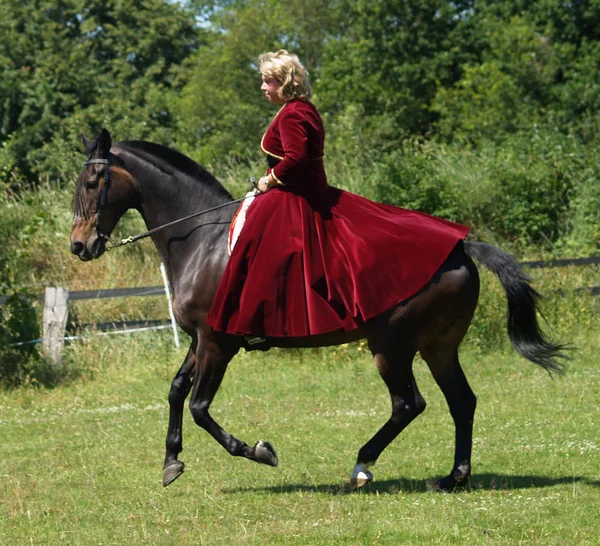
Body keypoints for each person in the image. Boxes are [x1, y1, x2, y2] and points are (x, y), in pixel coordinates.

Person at [206, 50, 469, 339]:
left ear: (283, 83)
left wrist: (270, 179)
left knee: (261, 246)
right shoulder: (303, 109)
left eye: (267, 81)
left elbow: (295, 158)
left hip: (296, 196)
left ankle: (259, 324)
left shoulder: (292, 115)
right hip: (307, 190)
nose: (262, 87)